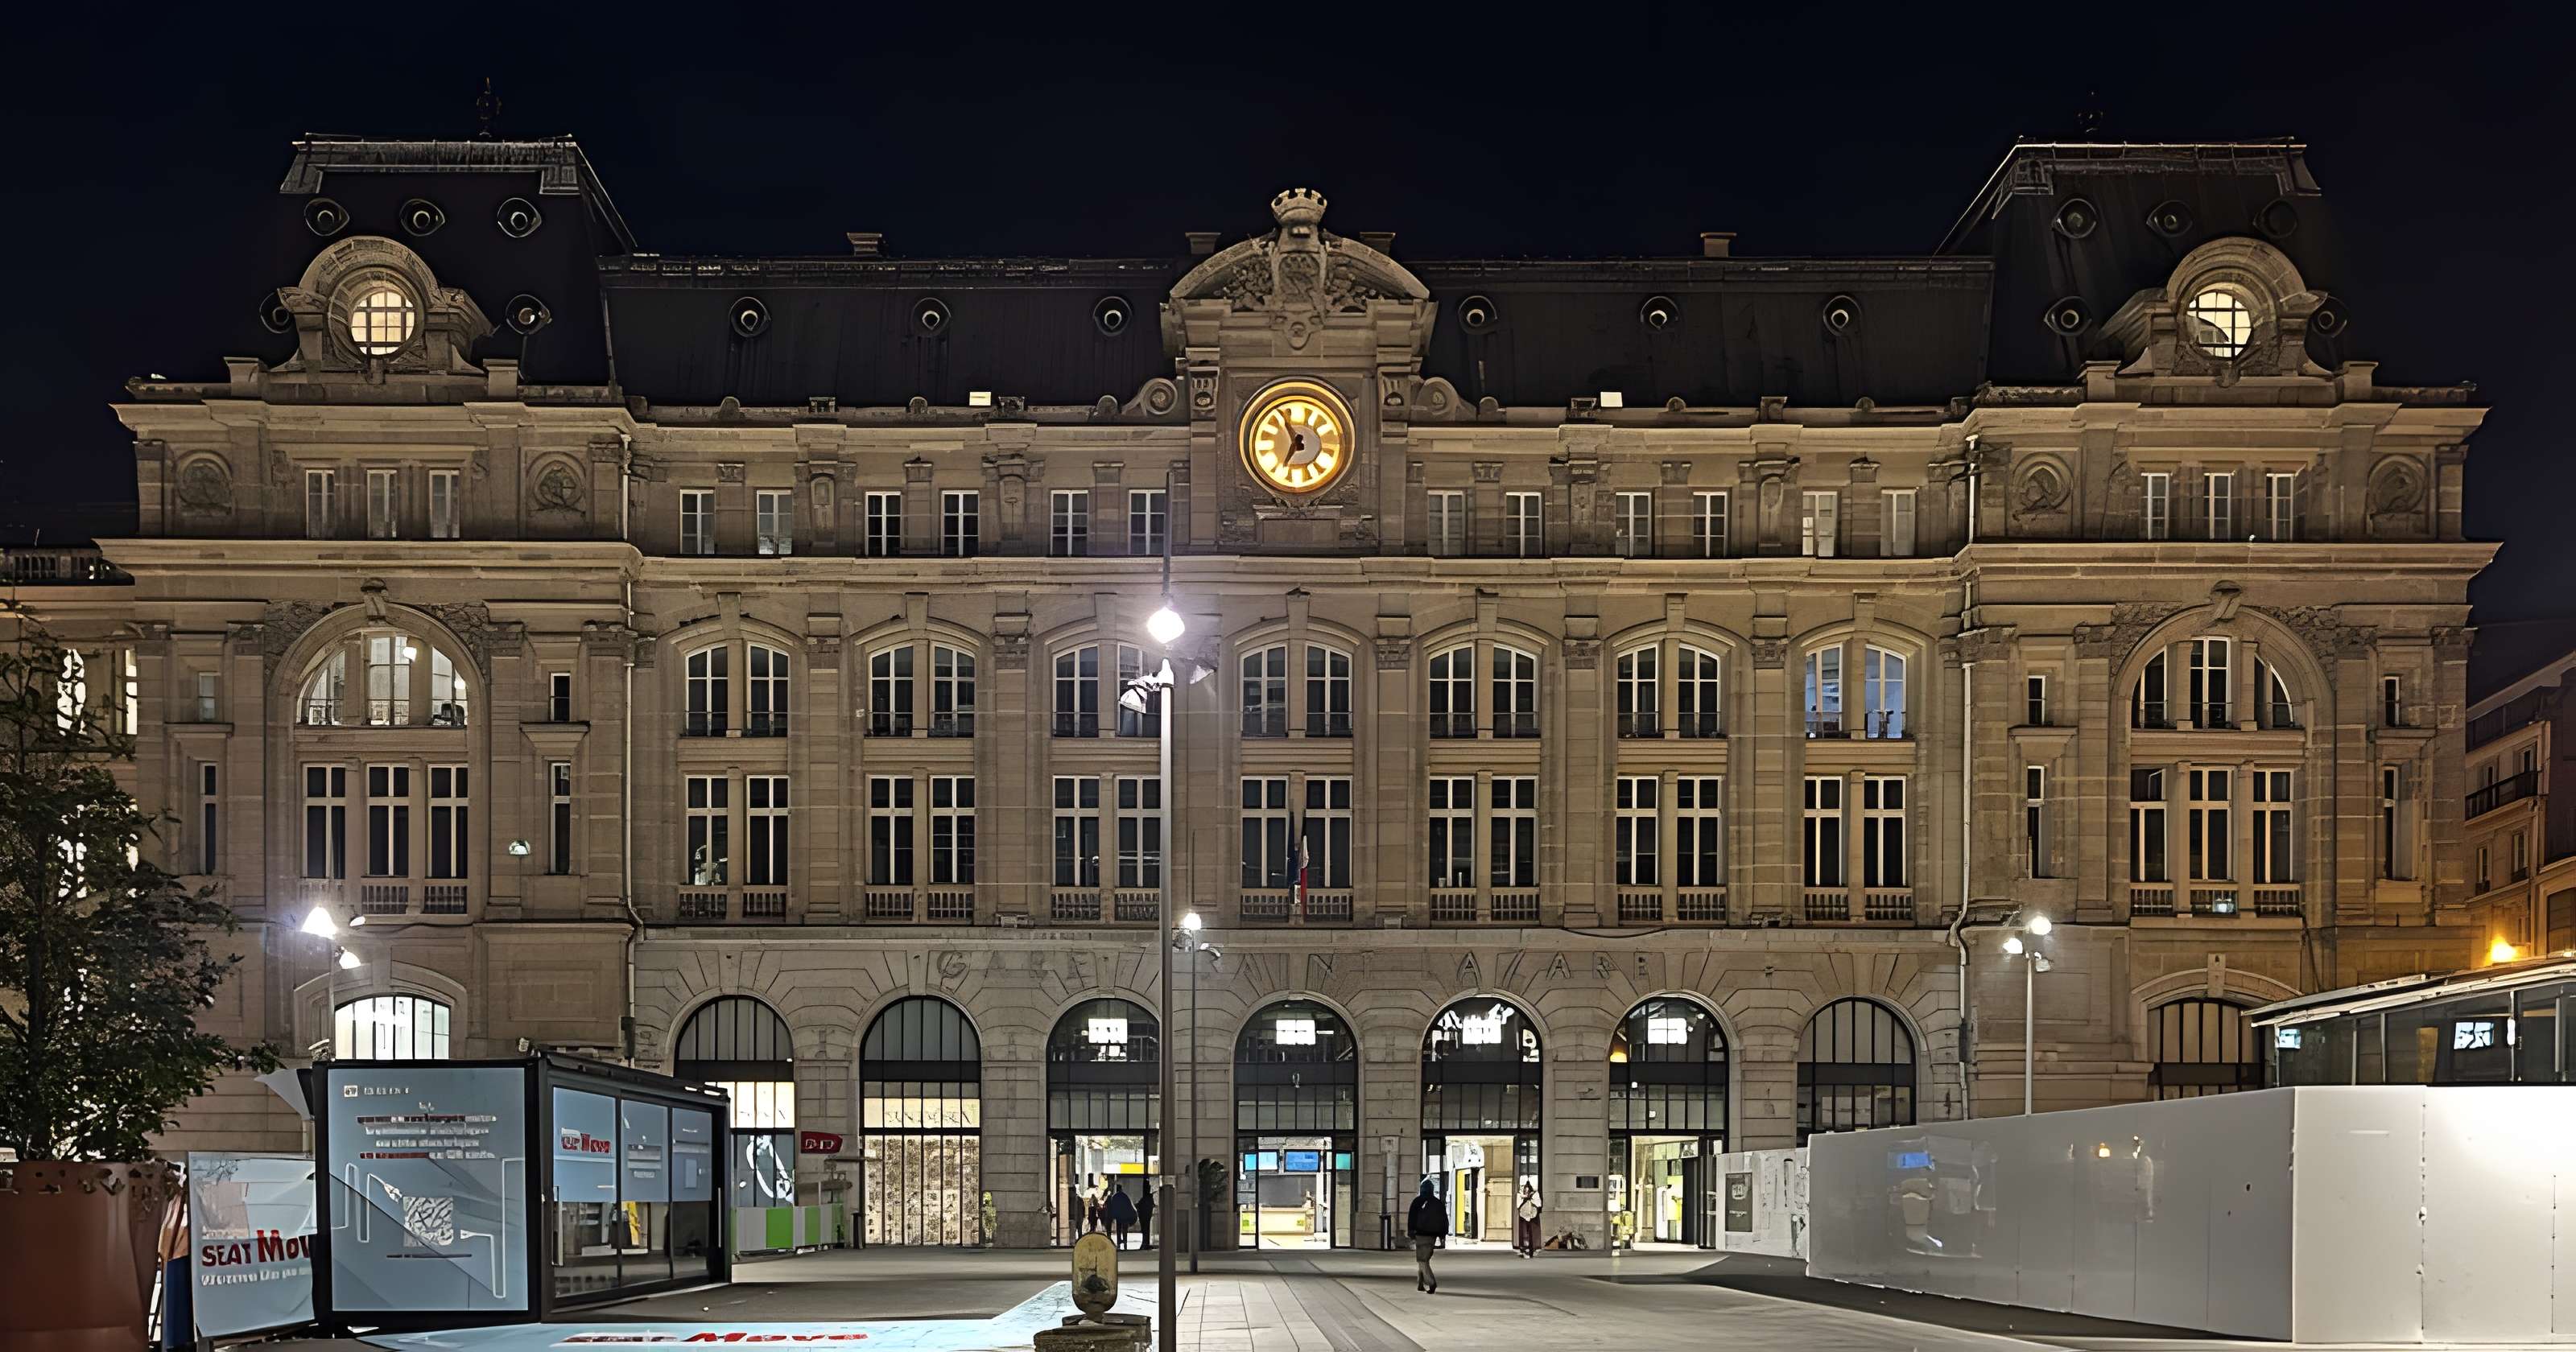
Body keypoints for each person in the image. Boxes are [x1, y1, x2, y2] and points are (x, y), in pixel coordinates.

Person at [1406, 1179, 1445, 1293]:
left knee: (1422, 1260)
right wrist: (1442, 1236)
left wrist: (1411, 1232)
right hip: (1432, 1236)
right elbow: (1443, 1220)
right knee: (1424, 1259)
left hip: (1421, 1235)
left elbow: (1411, 1218)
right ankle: (1420, 1283)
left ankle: (1431, 1283)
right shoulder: (1437, 1203)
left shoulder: (1417, 1202)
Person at [1105, 1180, 1139, 1250]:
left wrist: (1113, 1216)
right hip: (1126, 1217)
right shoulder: (1125, 1196)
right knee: (1124, 1230)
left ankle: (1119, 1243)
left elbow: (1113, 1207)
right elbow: (1130, 1206)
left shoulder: (1114, 1197)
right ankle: (1125, 1243)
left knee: (1118, 1230)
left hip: (1119, 1217)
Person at [1514, 1183, 1542, 1257]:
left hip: (1533, 1216)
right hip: (1523, 1216)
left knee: (1533, 1233)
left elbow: (1539, 1204)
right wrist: (1524, 1198)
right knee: (1523, 1233)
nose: (1527, 1192)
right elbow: (1518, 1205)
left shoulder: (1535, 1195)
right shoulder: (1520, 1195)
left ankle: (1533, 1248)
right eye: (1525, 1190)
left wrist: (1531, 1198)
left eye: (1528, 1191)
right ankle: (1524, 1248)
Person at [1136, 1182, 1156, 1250]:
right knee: (1146, 1230)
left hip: (1143, 1217)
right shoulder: (1149, 1198)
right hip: (1146, 1216)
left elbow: (1139, 1206)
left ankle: (1145, 1243)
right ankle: (1145, 1244)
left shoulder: (1144, 1199)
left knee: (1145, 1230)